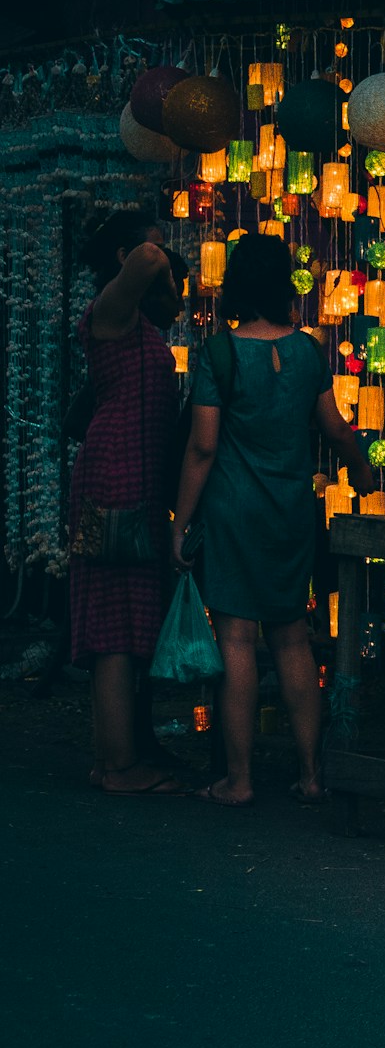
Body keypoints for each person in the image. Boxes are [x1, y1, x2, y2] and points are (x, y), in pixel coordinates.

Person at [171, 234, 375, 807]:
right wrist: (362, 472)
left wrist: (179, 523)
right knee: (291, 641)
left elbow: (203, 448)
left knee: (235, 638)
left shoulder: (220, 354)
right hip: (291, 513)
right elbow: (335, 428)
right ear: (285, 284)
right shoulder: (309, 351)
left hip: (234, 512)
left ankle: (238, 781)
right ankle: (312, 775)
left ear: (236, 284)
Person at [70, 211, 189, 795]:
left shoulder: (134, 321)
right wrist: (162, 266)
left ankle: (110, 757)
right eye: (152, 247)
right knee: (115, 627)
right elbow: (148, 261)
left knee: (122, 624)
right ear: (123, 256)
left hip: (130, 476)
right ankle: (120, 768)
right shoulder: (109, 313)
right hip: (117, 474)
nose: (159, 255)